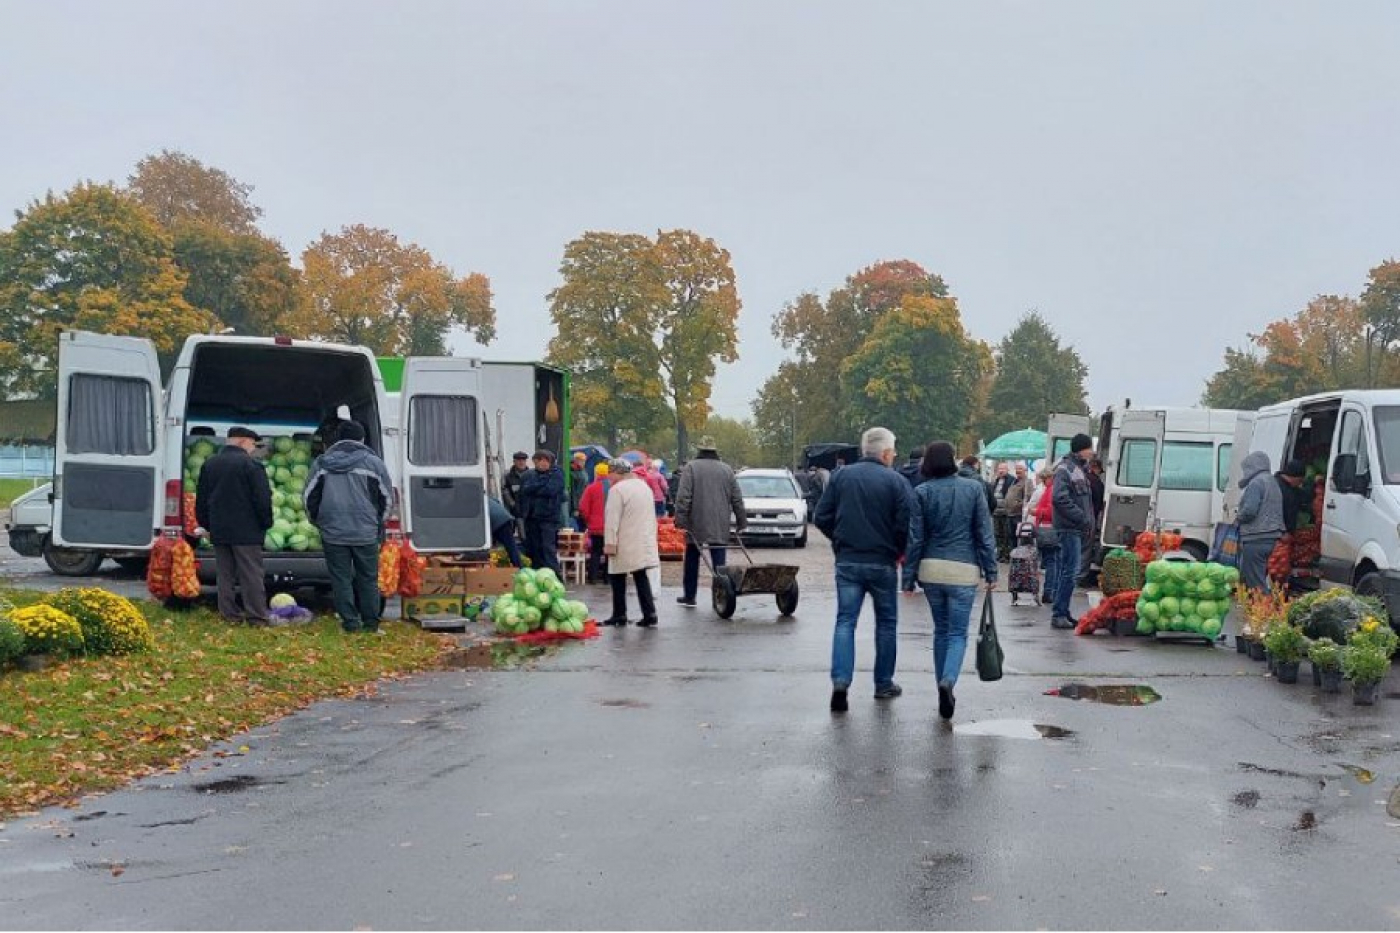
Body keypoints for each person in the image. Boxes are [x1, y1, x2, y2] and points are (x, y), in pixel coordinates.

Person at [814, 426, 912, 712]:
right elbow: (905, 523)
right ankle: (883, 683)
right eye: (892, 452)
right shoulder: (895, 481)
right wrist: (896, 550)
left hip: (848, 560)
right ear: (884, 453)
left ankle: (841, 682)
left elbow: (822, 516)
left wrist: (840, 539)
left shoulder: (841, 477)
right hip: (882, 562)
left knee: (845, 622)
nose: (893, 456)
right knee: (886, 623)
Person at [902, 441, 998, 721]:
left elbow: (915, 538)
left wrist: (908, 578)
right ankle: (949, 680)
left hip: (931, 569)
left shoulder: (921, 492)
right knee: (958, 633)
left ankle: (940, 686)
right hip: (963, 569)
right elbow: (984, 533)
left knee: (940, 631)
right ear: (954, 461)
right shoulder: (974, 489)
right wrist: (991, 571)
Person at [304, 421, 393, 634]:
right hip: (366, 532)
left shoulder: (322, 463)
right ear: (362, 439)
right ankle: (371, 624)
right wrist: (378, 523)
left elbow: (309, 498)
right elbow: (387, 499)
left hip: (333, 532)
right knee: (368, 578)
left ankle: (350, 624)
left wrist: (319, 522)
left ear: (338, 439)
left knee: (340, 579)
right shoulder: (374, 464)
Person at [195, 426, 273, 626]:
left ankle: (229, 615)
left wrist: (207, 525)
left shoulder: (210, 464)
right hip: (247, 531)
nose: (253, 449)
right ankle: (256, 617)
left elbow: (201, 499)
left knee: (225, 574)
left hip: (219, 529)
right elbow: (262, 499)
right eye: (252, 445)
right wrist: (266, 523)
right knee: (251, 575)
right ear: (243, 442)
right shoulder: (252, 466)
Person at [674, 436, 746, 608]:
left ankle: (690, 596)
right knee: (719, 562)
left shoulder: (691, 468)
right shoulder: (727, 470)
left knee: (692, 558)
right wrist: (742, 521)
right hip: (720, 522)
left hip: (696, 522)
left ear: (699, 450)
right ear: (715, 451)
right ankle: (720, 596)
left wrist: (680, 520)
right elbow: (737, 498)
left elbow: (683, 497)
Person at [601, 459, 660, 627]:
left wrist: (610, 544)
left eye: (610, 473)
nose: (609, 477)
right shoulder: (643, 487)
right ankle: (650, 613)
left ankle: (619, 614)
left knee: (617, 576)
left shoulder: (617, 490)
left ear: (617, 472)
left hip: (624, 540)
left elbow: (612, 520)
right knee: (640, 576)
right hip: (643, 539)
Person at [1049, 434, 1095, 630]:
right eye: (1089, 448)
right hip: (1069, 528)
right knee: (1070, 571)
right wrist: (1081, 517)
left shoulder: (1078, 469)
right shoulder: (1066, 469)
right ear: (1081, 449)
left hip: (1075, 527)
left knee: (1069, 571)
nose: (1092, 452)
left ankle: (1063, 611)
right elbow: (1059, 498)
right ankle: (1059, 613)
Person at [1237, 451, 1285, 592]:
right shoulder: (1272, 481)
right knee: (1261, 576)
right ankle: (1261, 607)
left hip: (1256, 536)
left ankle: (1263, 609)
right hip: (1271, 537)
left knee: (1255, 581)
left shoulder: (1256, 483)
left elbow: (1250, 510)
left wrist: (1239, 516)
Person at [518, 449, 565, 575]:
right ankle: (537, 575)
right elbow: (525, 490)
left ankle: (555, 576)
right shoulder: (528, 474)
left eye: (546, 460)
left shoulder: (557, 473)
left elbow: (550, 490)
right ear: (535, 462)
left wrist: (536, 487)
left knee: (547, 548)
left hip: (548, 518)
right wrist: (541, 484)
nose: (543, 463)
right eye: (540, 460)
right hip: (531, 518)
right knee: (534, 549)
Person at [577, 462, 612, 584]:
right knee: (610, 553)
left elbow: (583, 507)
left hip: (595, 527)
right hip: (611, 527)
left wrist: (588, 520)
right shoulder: (614, 487)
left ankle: (592, 578)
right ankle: (608, 579)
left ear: (597, 473)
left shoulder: (591, 488)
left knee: (595, 552)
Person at [1028, 467, 1059, 605]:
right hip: (1049, 529)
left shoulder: (1051, 490)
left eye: (1044, 479)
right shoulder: (1050, 489)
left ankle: (1049, 591)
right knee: (1052, 561)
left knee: (1051, 561)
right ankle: (1049, 591)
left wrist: (1036, 511)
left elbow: (1050, 511)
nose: (1043, 482)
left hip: (1048, 529)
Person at [488, 495, 524, 568]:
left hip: (499, 522)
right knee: (510, 546)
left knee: (510, 547)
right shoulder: (485, 498)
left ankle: (519, 567)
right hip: (506, 518)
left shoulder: (474, 502)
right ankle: (518, 567)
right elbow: (496, 501)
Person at [1276, 458, 1308, 533]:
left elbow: (1304, 498)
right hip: (1278, 536)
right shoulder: (1276, 488)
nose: (1300, 484)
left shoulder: (1292, 488)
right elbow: (1272, 514)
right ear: (1295, 477)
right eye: (1300, 480)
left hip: (1286, 533)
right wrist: (1282, 532)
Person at [503, 451, 530, 520]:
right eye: (519, 460)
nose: (521, 462)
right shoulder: (508, 477)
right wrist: (513, 505)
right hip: (516, 513)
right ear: (514, 462)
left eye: (523, 460)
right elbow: (506, 492)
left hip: (530, 512)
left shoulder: (532, 475)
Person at [569, 453, 589, 532]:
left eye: (584, 461)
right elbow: (575, 493)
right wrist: (576, 508)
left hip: (582, 504)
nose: (583, 462)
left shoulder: (583, 471)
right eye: (581, 461)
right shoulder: (574, 474)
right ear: (576, 460)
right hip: (577, 506)